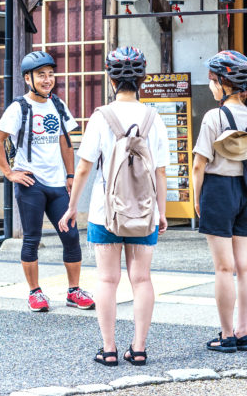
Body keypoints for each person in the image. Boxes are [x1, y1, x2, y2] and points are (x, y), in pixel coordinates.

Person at [59, 46, 169, 367]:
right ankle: (139, 349)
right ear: (143, 79)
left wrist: (71, 208)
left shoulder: (100, 117)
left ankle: (108, 349)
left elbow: (83, 168)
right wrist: (160, 211)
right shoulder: (153, 118)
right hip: (144, 211)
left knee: (107, 280)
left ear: (110, 78)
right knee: (142, 279)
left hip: (104, 213)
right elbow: (161, 171)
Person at [0, 50, 95, 313]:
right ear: (28, 78)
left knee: (71, 237)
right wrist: (10, 173)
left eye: (50, 74)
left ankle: (73, 291)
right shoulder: (19, 107)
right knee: (31, 239)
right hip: (31, 184)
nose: (47, 80)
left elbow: (66, 143)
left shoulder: (57, 105)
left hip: (58, 184)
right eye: (41, 75)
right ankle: (35, 292)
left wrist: (70, 176)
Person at [191, 50, 247, 353]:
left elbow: (199, 165)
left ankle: (226, 335)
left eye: (212, 80)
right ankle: (244, 332)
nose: (210, 86)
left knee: (223, 268)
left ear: (224, 82)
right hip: (246, 192)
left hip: (219, 191)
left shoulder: (214, 117)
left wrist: (196, 200)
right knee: (245, 266)